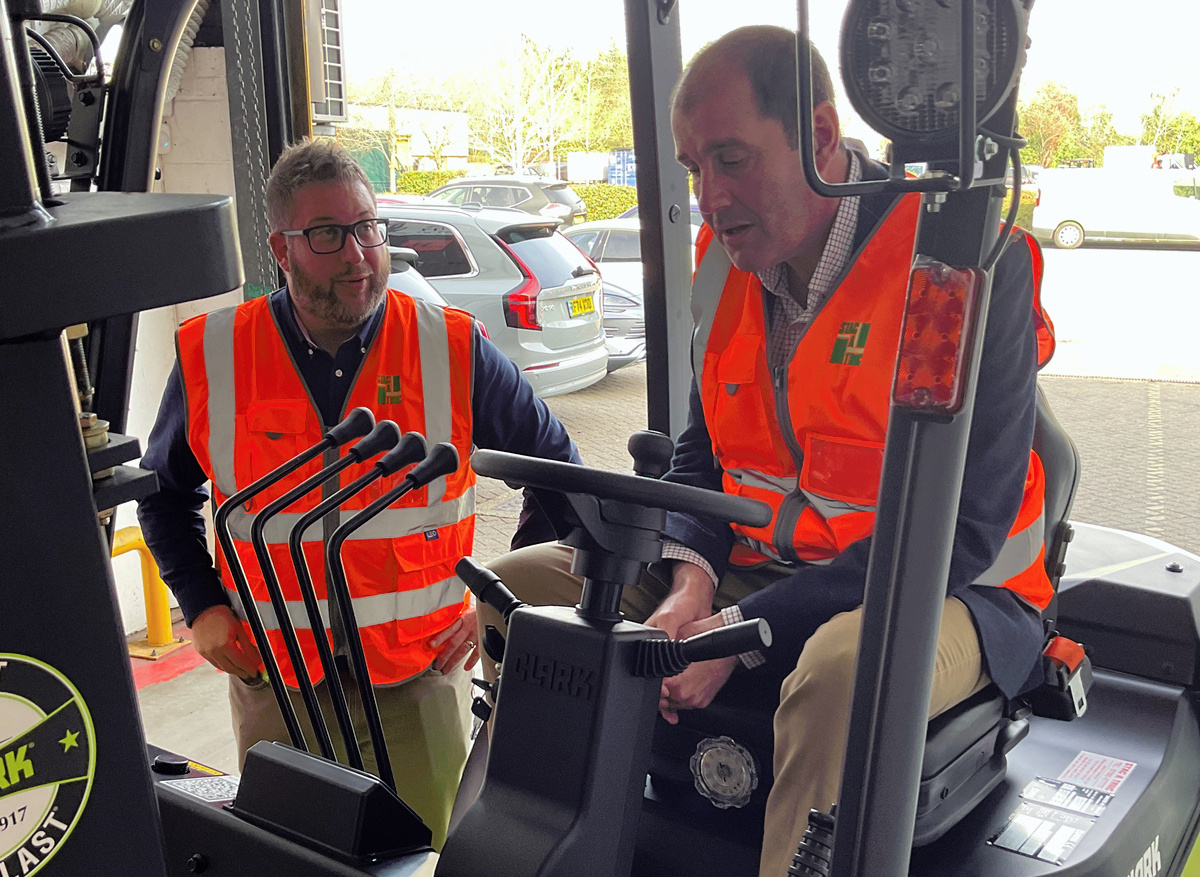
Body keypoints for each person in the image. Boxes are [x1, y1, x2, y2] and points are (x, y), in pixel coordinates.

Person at [479, 25, 1054, 877]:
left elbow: (964, 527)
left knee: (838, 676)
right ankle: (547, 845)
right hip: (760, 571)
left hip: (952, 589)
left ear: (820, 138)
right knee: (523, 589)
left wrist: (742, 634)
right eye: (692, 169)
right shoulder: (722, 267)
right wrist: (691, 582)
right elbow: (700, 459)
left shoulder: (962, 270)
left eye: (732, 159)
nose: (708, 196)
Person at [137, 136, 580, 850]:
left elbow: (557, 472)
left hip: (415, 680)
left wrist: (498, 597)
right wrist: (202, 602)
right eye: (327, 234)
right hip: (273, 679)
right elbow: (163, 496)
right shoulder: (214, 353)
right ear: (281, 250)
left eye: (368, 226)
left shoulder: (451, 346)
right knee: (287, 858)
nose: (358, 253)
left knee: (427, 856)